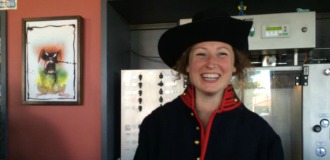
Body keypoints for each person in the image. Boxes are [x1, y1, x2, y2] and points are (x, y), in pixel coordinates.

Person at [134, 8, 284, 160]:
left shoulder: (262, 135)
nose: (211, 63)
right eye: (201, 54)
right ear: (187, 65)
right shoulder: (156, 125)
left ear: (234, 66)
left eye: (222, 53)